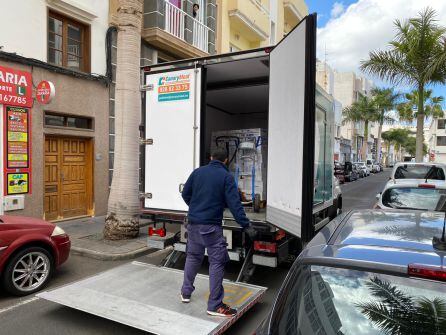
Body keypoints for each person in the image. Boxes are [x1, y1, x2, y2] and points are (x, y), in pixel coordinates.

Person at [180, 147, 257, 317]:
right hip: (210, 227)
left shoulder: (197, 172)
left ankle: (186, 293)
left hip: (192, 223)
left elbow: (185, 194)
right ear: (226, 161)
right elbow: (235, 205)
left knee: (193, 256)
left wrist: (196, 207)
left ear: (210, 157)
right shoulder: (226, 177)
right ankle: (214, 305)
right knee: (217, 262)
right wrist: (246, 225)